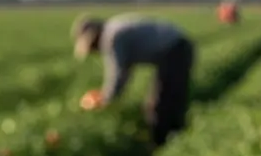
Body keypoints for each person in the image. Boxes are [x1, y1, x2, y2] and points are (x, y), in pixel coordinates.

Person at [72, 14, 196, 147]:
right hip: (177, 48)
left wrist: (107, 99)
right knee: (167, 101)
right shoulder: (115, 29)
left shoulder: (113, 37)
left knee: (161, 106)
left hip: (176, 51)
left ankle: (165, 145)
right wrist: (110, 94)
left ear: (95, 36)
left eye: (93, 46)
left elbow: (118, 73)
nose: (95, 50)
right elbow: (125, 71)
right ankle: (172, 140)